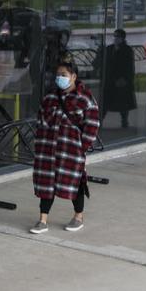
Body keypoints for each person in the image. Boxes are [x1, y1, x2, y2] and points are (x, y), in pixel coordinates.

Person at [29, 61, 101, 234]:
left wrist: (81, 147)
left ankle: (78, 217)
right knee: (46, 185)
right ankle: (42, 220)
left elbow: (92, 125)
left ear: (74, 77)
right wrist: (40, 141)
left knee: (74, 183)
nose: (59, 78)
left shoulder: (85, 98)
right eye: (58, 75)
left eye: (64, 75)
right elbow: (40, 120)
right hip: (47, 150)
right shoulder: (50, 97)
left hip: (71, 151)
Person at [98, 29, 137, 129]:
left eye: (118, 37)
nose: (116, 39)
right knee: (105, 103)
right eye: (115, 36)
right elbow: (103, 63)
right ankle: (100, 122)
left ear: (123, 38)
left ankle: (124, 121)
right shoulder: (109, 49)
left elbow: (130, 67)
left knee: (123, 103)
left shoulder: (127, 50)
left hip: (121, 81)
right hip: (110, 80)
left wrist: (126, 79)